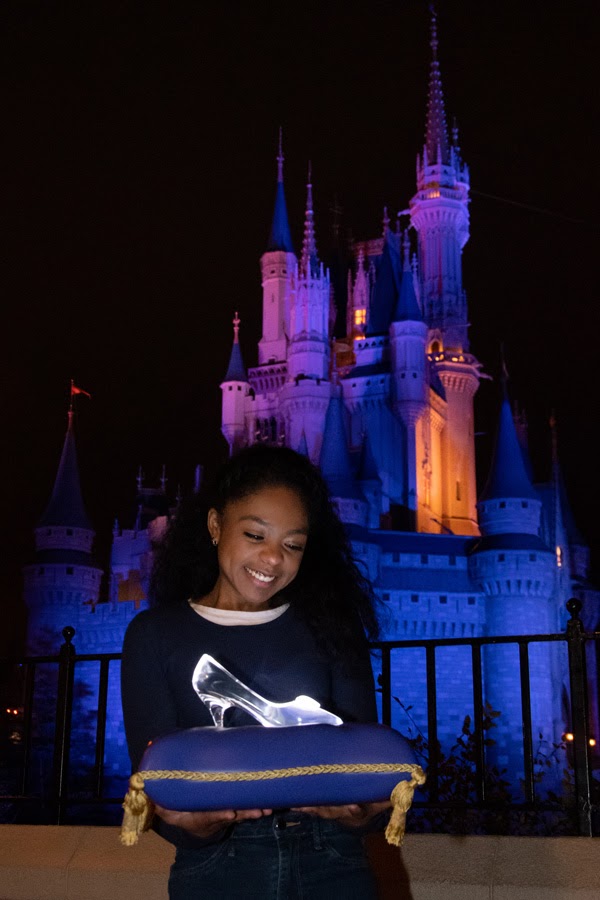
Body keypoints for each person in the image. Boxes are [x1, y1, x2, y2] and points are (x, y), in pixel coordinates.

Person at [121, 443, 390, 899]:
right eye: (255, 535)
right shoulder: (154, 635)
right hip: (220, 869)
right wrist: (197, 828)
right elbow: (155, 785)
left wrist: (363, 813)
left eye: (292, 544)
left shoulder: (331, 627)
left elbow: (365, 771)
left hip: (332, 861)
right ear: (215, 526)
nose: (273, 558)